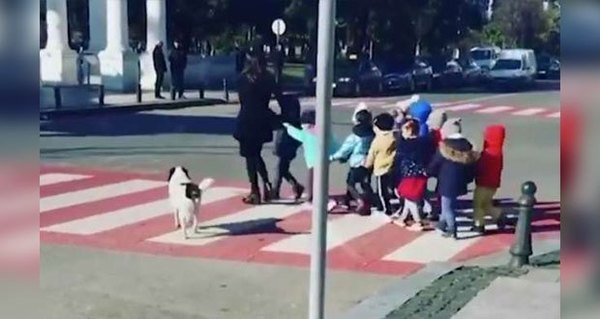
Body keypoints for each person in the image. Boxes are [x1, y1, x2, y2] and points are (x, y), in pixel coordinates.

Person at [234, 54, 280, 205]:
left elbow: (242, 99)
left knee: (250, 157)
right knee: (257, 154)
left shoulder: (243, 78)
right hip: (262, 120)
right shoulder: (268, 78)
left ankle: (255, 191)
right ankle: (266, 184)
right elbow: (279, 96)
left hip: (247, 120)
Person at [428, 131, 479, 239]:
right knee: (447, 204)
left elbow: (435, 164)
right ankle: (442, 224)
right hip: (459, 182)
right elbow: (472, 168)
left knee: (447, 207)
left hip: (446, 182)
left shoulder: (444, 149)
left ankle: (452, 229)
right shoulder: (467, 150)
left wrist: (429, 172)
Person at [283, 110, 338, 202]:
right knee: (322, 179)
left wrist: (288, 127)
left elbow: (296, 134)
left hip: (312, 161)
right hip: (324, 159)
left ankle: (311, 196)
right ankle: (320, 195)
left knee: (311, 179)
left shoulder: (306, 133)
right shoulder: (324, 131)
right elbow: (334, 143)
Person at [330, 109, 376, 215]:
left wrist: (332, 158)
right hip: (369, 161)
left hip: (357, 163)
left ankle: (360, 201)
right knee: (365, 182)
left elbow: (344, 151)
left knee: (350, 183)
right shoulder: (372, 134)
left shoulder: (354, 137)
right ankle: (351, 200)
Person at [394, 119, 431, 231]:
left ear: (408, 131)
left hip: (408, 175)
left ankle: (418, 221)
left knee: (410, 199)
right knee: (409, 197)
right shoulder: (425, 142)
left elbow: (398, 161)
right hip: (421, 174)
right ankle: (402, 218)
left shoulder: (404, 145)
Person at [473, 124, 507, 235]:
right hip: (493, 183)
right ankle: (498, 215)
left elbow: (480, 167)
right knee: (486, 204)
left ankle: (479, 225)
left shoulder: (487, 153)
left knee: (478, 204)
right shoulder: (498, 151)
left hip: (483, 183)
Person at [271, 94, 304, 200]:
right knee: (283, 169)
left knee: (280, 168)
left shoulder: (290, 121)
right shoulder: (291, 120)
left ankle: (275, 191)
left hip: (286, 146)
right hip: (285, 146)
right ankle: (296, 186)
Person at [364, 113, 396, 215]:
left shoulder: (377, 141)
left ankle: (385, 209)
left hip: (381, 169)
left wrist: (367, 165)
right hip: (393, 166)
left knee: (382, 191)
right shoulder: (394, 137)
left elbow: (371, 155)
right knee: (394, 188)